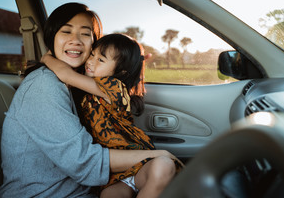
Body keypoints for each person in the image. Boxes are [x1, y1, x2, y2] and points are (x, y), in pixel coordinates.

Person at [0, 3, 178, 198]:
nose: (75, 40)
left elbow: (67, 74)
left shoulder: (87, 83)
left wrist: (48, 58)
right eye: (66, 31)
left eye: (85, 34)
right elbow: (83, 161)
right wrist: (155, 154)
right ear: (52, 38)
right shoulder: (43, 85)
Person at [42, 33, 183, 198]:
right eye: (92, 54)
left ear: (121, 71)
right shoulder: (85, 88)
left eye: (100, 60)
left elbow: (66, 74)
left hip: (137, 162)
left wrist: (46, 58)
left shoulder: (114, 87)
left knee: (163, 166)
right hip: (112, 176)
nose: (90, 61)